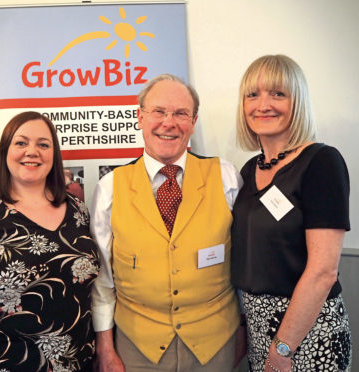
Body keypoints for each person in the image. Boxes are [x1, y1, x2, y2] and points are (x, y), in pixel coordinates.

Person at [90, 74, 244, 371]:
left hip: (215, 346)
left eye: (181, 113)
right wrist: (106, 348)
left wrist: (242, 330)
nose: (168, 122)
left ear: (194, 121)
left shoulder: (226, 177)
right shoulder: (110, 188)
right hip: (136, 349)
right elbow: (103, 280)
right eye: (158, 112)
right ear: (140, 117)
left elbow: (243, 263)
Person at [0, 111, 100, 372]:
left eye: (43, 144)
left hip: (77, 364)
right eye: (21, 143)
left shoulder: (77, 210)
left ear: (54, 154)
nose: (32, 151)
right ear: (5, 151)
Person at [231, 55, 352, 372]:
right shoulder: (248, 170)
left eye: (278, 94)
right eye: (253, 95)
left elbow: (323, 272)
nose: (263, 105)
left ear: (297, 101)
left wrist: (283, 347)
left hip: (307, 332)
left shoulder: (322, 163)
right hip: (259, 329)